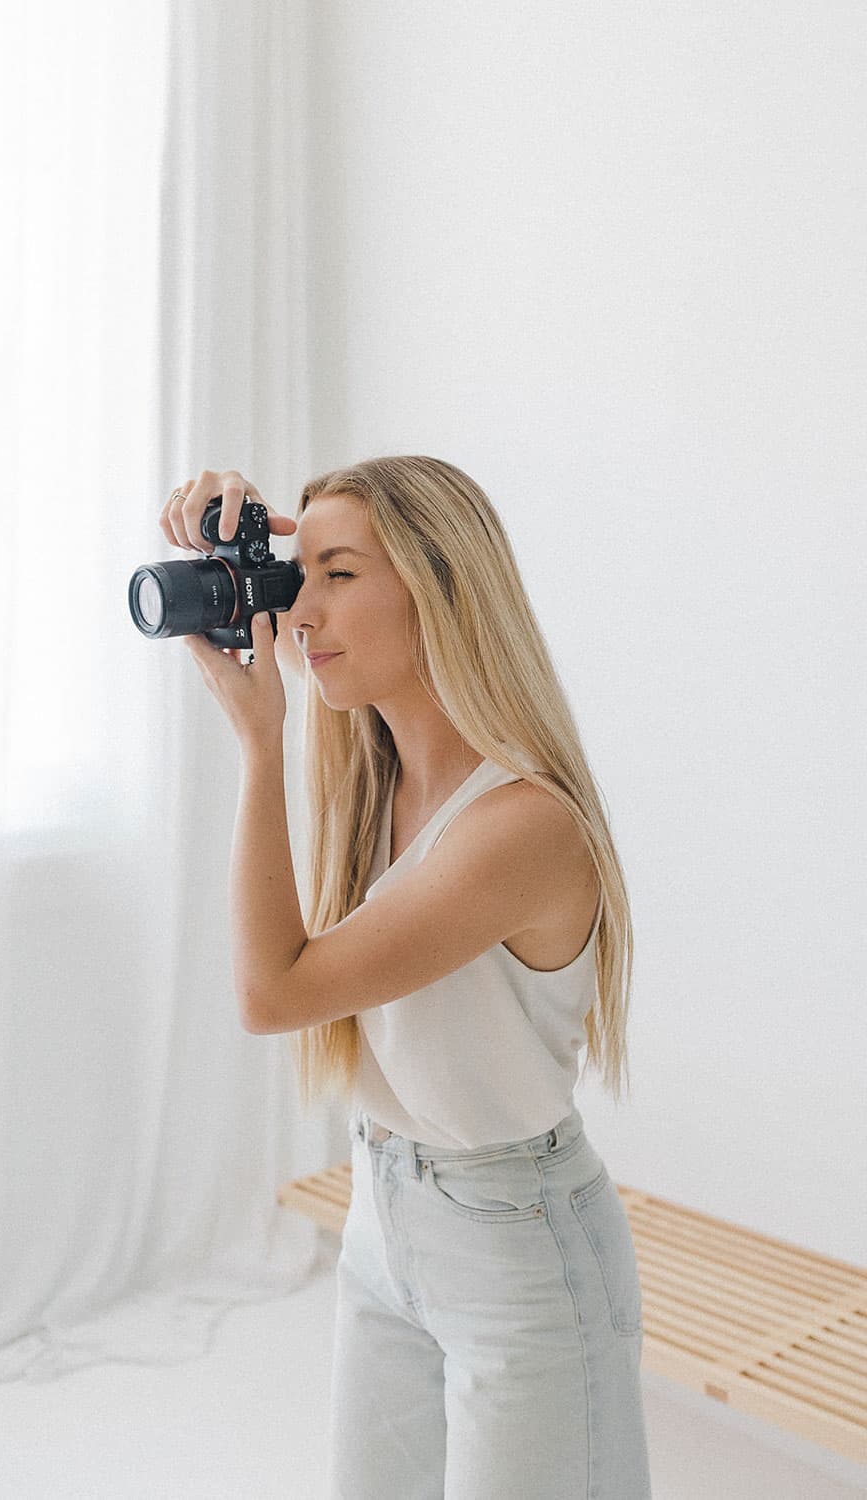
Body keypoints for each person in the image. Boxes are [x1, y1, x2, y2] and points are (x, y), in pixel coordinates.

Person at [160, 458, 652, 1500]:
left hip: (518, 1250)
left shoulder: (521, 827)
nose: (301, 612)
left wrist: (258, 746)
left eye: (339, 573)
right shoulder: (373, 791)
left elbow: (272, 995)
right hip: (385, 1215)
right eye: (296, 578)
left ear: (442, 588)